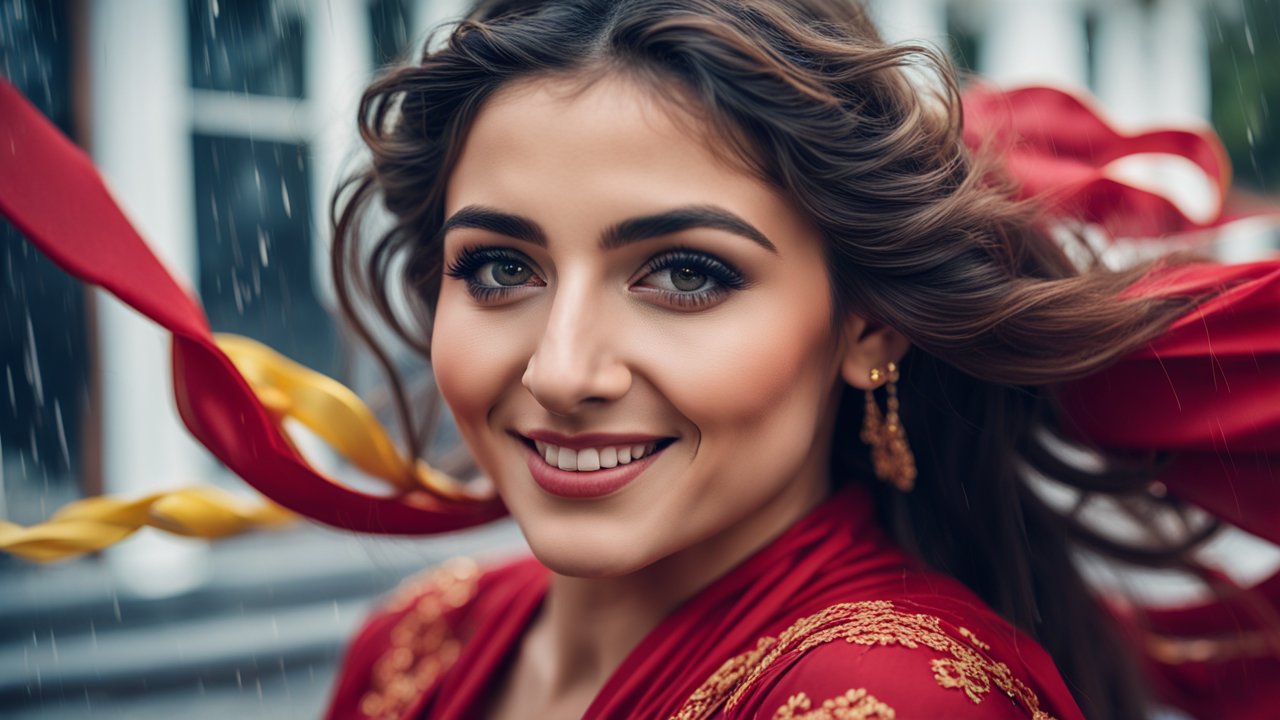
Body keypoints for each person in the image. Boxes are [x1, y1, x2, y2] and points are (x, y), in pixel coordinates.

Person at [0, 0, 1276, 718]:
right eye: (498, 267)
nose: (561, 367)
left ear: (864, 324)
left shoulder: (881, 698)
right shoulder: (416, 649)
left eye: (685, 273)